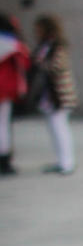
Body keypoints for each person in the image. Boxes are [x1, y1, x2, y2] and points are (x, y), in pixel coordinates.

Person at [31, 14, 79, 175]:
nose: (36, 32)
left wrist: (40, 63)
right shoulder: (45, 45)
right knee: (54, 128)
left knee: (60, 127)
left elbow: (57, 65)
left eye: (39, 28)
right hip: (49, 94)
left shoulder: (59, 45)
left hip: (60, 93)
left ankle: (67, 163)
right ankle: (61, 161)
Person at [0, 14, 31, 175]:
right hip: (5, 90)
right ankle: (4, 160)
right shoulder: (14, 44)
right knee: (3, 124)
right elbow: (26, 62)